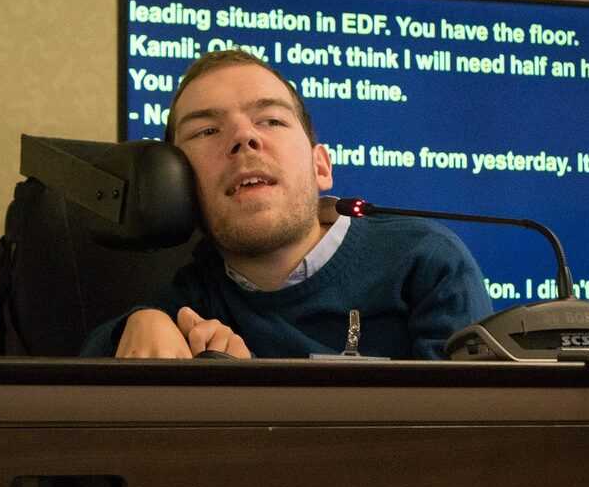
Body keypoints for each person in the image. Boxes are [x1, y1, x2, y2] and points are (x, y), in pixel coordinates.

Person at [81, 49, 492, 360]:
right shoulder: (192, 297)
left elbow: (470, 434)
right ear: (178, 186)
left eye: (271, 121)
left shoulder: (427, 262)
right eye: (206, 131)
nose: (243, 138)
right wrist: (138, 324)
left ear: (320, 166)